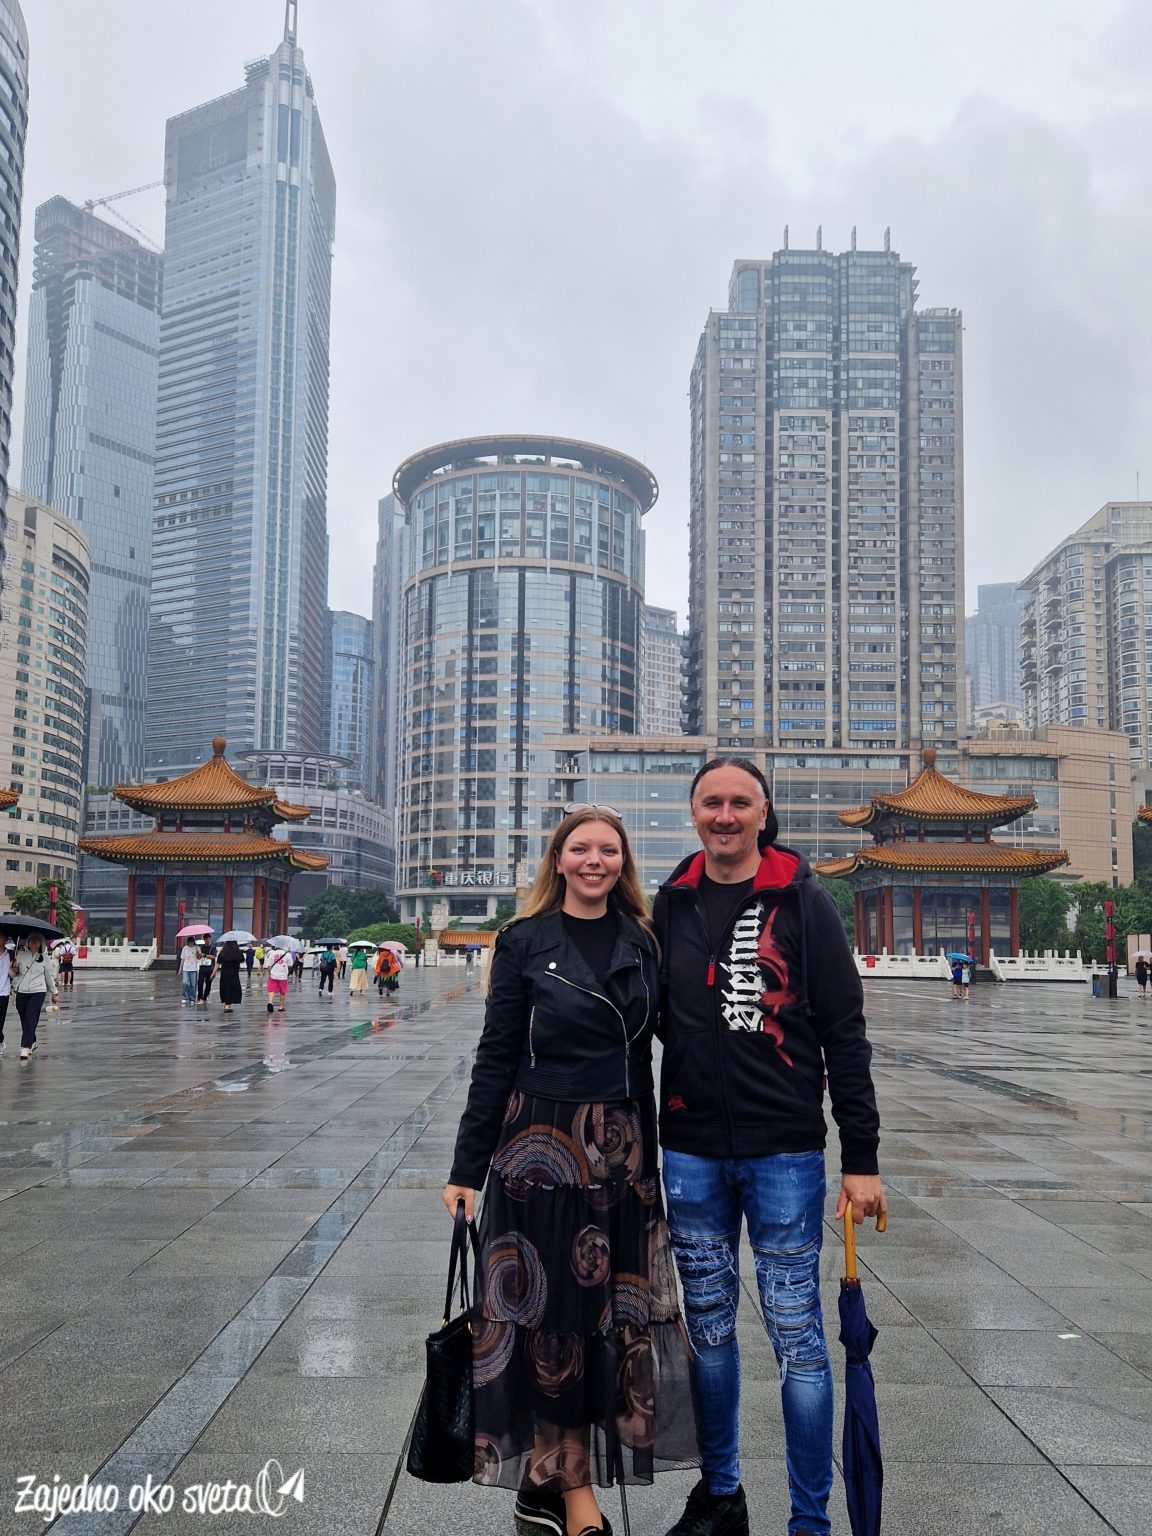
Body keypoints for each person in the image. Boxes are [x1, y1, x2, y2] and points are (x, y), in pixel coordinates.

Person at [443, 807, 698, 1536]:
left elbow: (671, 1041)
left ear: (623, 863)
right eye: (580, 848)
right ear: (558, 860)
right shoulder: (524, 941)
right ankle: (574, 1492)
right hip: (542, 1149)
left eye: (607, 850)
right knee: (555, 1320)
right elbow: (496, 1055)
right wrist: (467, 1167)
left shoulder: (643, 941)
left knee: (607, 1323)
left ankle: (544, 1484)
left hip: (622, 1152)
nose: (594, 860)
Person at [653, 757, 885, 1536]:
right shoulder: (671, 903)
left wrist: (861, 1158)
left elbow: (844, 1031)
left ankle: (808, 1520)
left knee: (798, 1337)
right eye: (711, 802)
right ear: (694, 813)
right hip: (691, 1149)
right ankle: (722, 1496)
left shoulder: (802, 900)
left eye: (739, 803)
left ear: (763, 813)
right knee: (709, 1332)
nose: (724, 816)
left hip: (784, 1149)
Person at [13, 933, 60, 1061]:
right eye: (31, 940)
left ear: (41, 943)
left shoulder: (45, 958)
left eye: (37, 940)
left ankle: (25, 1047)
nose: (34, 942)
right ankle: (32, 1041)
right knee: (24, 1019)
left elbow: (49, 977)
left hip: (38, 991)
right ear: (27, 942)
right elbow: (13, 975)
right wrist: (13, 969)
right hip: (21, 991)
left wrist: (54, 993)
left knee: (31, 1017)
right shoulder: (20, 956)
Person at [213, 939, 244, 1014]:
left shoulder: (223, 952)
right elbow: (242, 960)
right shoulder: (238, 952)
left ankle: (227, 1005)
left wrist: (214, 972)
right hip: (234, 974)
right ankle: (228, 1005)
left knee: (225, 988)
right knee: (232, 989)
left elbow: (218, 963)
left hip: (224, 973)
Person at [266, 947, 291, 1014]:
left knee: (271, 990)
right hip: (283, 976)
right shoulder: (287, 954)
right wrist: (288, 973)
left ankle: (270, 1002)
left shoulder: (272, 953)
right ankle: (281, 1007)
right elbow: (290, 965)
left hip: (273, 975)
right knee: (282, 991)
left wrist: (270, 973)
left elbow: (269, 966)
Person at [179, 938, 201, 1006]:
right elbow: (182, 958)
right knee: (185, 983)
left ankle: (192, 998)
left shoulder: (197, 948)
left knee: (193, 984)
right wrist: (180, 968)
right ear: (188, 942)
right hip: (186, 968)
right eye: (189, 942)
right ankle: (185, 997)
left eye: (192, 942)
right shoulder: (185, 948)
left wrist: (198, 952)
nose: (191, 943)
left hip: (194, 969)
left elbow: (199, 957)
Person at [0, 932, 10, 1056]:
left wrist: (13, 970)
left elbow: (13, 974)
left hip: (4, 992)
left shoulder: (11, 954)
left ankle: (0, 1041)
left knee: (0, 1020)